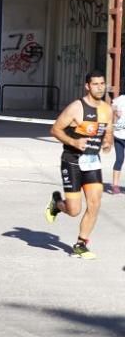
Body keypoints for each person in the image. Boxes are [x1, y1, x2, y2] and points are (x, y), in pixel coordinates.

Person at [45, 70, 113, 259]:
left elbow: (108, 132)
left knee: (95, 204)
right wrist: (74, 142)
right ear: (87, 86)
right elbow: (55, 129)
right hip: (72, 161)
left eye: (102, 84)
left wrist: (108, 143)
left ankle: (81, 244)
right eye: (96, 84)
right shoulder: (77, 107)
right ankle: (57, 204)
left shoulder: (107, 109)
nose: (100, 87)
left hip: (92, 162)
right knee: (74, 210)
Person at [112, 90, 125, 194]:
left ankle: (117, 186)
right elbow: (112, 108)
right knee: (119, 159)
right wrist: (116, 112)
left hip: (120, 134)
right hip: (119, 135)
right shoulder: (120, 99)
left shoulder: (119, 99)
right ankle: (115, 185)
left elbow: (112, 107)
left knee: (119, 159)